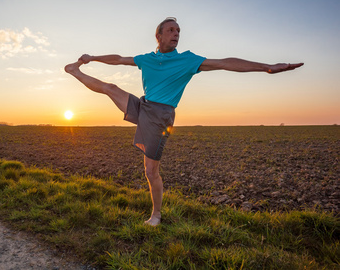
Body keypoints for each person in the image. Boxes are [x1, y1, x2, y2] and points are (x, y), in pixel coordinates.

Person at [64, 17, 303, 226]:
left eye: (178, 31)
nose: (176, 34)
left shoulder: (188, 60)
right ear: (158, 35)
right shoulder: (146, 58)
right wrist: (92, 57)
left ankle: (156, 215)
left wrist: (267, 68)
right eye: (171, 30)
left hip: (161, 116)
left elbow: (225, 63)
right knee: (111, 87)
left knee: (150, 171)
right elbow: (118, 59)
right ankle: (75, 71)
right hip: (144, 106)